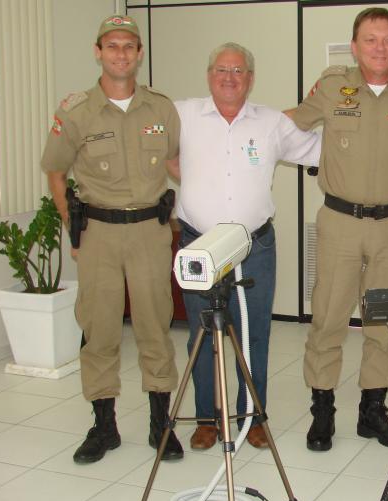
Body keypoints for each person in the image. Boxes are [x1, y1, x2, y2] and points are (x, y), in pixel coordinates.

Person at [41, 15, 184, 464]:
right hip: (99, 233)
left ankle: (161, 425)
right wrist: (73, 226)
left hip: (149, 232)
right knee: (99, 329)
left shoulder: (161, 109)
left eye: (129, 46)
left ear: (139, 54)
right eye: (112, 46)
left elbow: (178, 164)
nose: (121, 53)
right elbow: (56, 171)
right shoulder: (76, 110)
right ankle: (104, 426)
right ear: (98, 51)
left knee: (154, 328)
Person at [290, 7, 388, 451]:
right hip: (340, 224)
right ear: (355, 46)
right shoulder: (333, 85)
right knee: (328, 318)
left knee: (383, 320)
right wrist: (235, 127)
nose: (380, 48)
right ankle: (323, 410)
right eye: (371, 39)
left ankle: (373, 410)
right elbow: (290, 121)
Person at [168, 43, 321, 450]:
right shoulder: (183, 115)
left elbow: (319, 150)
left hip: (256, 247)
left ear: (251, 79)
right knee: (202, 337)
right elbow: (152, 144)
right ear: (209, 75)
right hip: (200, 246)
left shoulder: (271, 123)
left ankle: (252, 417)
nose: (230, 77)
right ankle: (207, 419)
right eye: (222, 70)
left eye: (239, 71)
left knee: (253, 336)